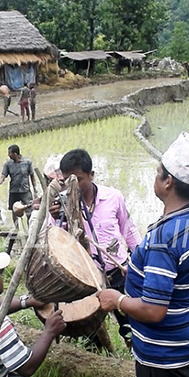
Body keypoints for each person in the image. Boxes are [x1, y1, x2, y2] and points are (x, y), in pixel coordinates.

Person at [97, 131, 189, 377]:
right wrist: (139, 269)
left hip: (163, 360)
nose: (156, 176)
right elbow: (184, 278)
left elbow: (153, 310)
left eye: (158, 172)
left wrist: (118, 300)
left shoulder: (164, 238)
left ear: (168, 182)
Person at [50, 148, 142, 349]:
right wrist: (57, 219)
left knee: (130, 325)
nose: (73, 186)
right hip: (85, 279)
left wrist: (141, 260)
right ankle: (99, 357)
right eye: (67, 180)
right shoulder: (62, 205)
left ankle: (134, 357)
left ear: (91, 175)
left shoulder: (113, 197)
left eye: (79, 179)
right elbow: (55, 241)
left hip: (117, 272)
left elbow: (128, 229)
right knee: (89, 328)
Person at [0, 144, 38, 226]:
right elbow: (2, 177)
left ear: (15, 154)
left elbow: (32, 176)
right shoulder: (8, 164)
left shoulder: (27, 162)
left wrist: (35, 189)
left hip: (25, 191)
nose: (8, 155)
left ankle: (30, 229)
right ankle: (16, 229)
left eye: (10, 153)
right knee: (14, 211)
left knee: (29, 211)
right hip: (14, 191)